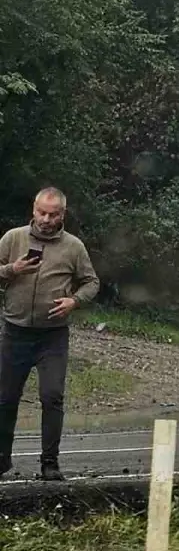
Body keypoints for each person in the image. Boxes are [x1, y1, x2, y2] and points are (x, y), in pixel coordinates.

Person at [0, 187, 100, 480]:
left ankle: (49, 463)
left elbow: (92, 282)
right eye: (41, 212)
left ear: (62, 215)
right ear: (33, 210)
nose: (45, 219)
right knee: (5, 398)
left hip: (52, 337)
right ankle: (2, 458)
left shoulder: (73, 247)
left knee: (52, 396)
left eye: (52, 214)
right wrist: (11, 269)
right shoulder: (13, 238)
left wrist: (75, 301)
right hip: (15, 332)